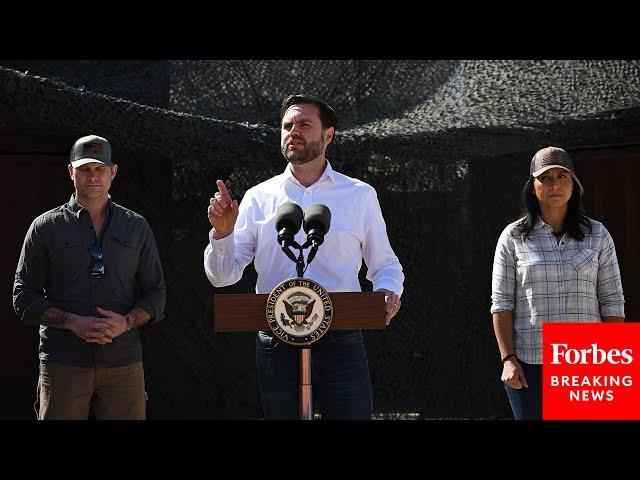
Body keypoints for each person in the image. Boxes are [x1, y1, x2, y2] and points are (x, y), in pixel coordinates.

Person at [204, 94, 404, 419]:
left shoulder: (359, 195)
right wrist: (223, 234)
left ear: (328, 135)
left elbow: (385, 264)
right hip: (276, 341)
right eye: (287, 126)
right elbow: (222, 275)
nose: (293, 131)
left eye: (304, 124)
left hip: (341, 339)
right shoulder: (258, 197)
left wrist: (388, 291)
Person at [13, 134, 166, 420]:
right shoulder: (45, 228)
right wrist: (73, 323)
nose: (92, 176)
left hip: (123, 363)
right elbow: (23, 297)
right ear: (71, 171)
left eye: (99, 168)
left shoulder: (136, 227)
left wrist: (126, 322)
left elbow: (157, 294)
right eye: (84, 169)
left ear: (113, 172)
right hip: (63, 362)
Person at [490, 146, 625, 420]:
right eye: (546, 178)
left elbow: (612, 301)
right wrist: (508, 359)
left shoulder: (598, 235)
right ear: (533, 186)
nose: (554, 185)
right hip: (530, 365)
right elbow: (501, 303)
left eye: (562, 176)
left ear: (574, 185)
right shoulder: (513, 237)